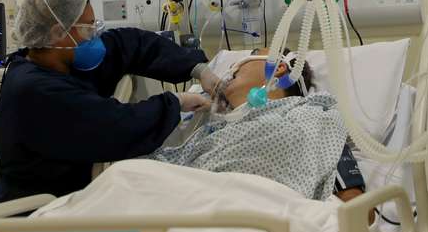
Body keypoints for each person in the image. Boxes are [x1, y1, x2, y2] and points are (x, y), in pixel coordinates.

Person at [0, 0, 213, 205]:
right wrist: (174, 103)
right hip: (35, 209)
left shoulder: (62, 61)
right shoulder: (34, 90)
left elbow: (130, 44)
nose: (95, 34)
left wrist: (196, 67)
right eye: (88, 28)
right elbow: (117, 125)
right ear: (58, 32)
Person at [147, 47, 369, 208]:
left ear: (279, 67)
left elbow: (356, 208)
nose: (233, 67)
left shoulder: (313, 116)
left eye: (253, 54)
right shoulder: (210, 130)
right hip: (193, 210)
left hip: (265, 219)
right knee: (122, 175)